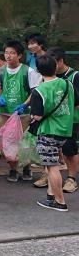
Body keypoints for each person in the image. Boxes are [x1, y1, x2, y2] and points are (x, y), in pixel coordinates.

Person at [0, 40, 43, 182]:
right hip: (4, 113)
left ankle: (26, 167)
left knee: (24, 142)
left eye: (12, 53)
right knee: (7, 143)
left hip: (23, 114)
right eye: (6, 53)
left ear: (19, 55)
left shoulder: (28, 71)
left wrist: (24, 105)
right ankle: (13, 169)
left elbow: (35, 91)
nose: (8, 56)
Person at [30, 55, 74, 212]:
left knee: (52, 166)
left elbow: (37, 116)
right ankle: (50, 195)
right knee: (52, 164)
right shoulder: (67, 84)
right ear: (55, 67)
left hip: (48, 131)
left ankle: (60, 201)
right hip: (65, 129)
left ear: (38, 71)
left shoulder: (39, 91)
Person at [45, 47, 79, 193]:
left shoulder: (74, 76)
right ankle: (50, 176)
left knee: (70, 150)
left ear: (60, 61)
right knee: (51, 150)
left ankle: (72, 179)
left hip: (71, 121)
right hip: (54, 122)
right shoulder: (50, 76)